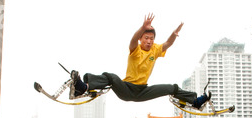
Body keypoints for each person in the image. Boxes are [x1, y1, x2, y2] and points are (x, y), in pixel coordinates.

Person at [69, 14, 210, 111]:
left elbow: (167, 44)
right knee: (111, 77)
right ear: (141, 39)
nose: (149, 41)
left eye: (151, 39)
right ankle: (82, 87)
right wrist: (142, 28)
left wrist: (174, 34)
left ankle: (195, 101)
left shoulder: (155, 49)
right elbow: (132, 40)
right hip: (126, 88)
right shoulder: (135, 49)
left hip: (143, 91)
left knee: (171, 87)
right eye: (146, 38)